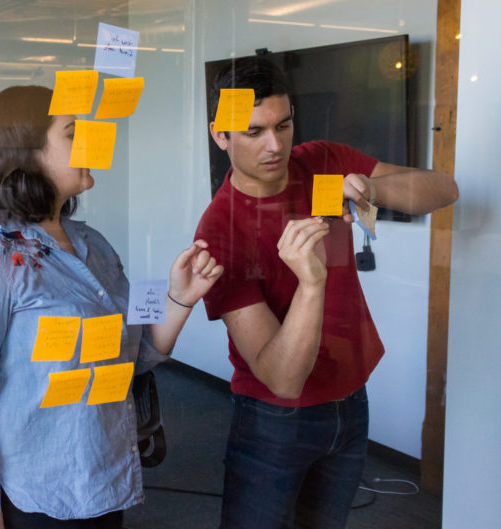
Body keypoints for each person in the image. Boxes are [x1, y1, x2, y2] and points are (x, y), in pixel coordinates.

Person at [0, 85, 223, 529]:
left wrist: (180, 297)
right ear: (25, 155)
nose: (90, 144)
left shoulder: (92, 244)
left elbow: (134, 356)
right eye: (71, 133)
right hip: (32, 501)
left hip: (102, 482)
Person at [194, 56, 459, 529]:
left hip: (351, 400)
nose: (275, 145)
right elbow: (282, 379)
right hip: (274, 420)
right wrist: (311, 283)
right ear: (222, 137)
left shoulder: (320, 160)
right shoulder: (220, 232)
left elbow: (444, 189)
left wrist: (372, 188)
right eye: (254, 132)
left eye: (284, 124)